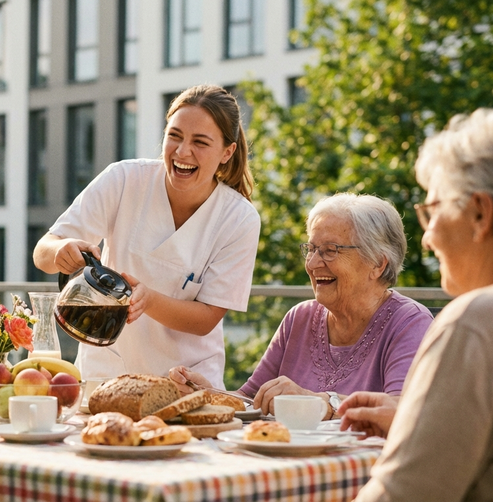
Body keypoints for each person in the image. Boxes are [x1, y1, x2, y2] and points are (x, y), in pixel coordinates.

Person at [338, 109, 493, 500]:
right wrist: (422, 424)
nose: (426, 240)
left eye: (431, 211)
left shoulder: (480, 320)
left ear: (480, 213)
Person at [33, 84, 260, 388]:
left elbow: (206, 318)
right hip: (106, 375)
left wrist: (148, 300)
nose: (182, 152)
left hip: (185, 382)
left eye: (200, 142)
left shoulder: (238, 218)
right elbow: (42, 252)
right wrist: (61, 250)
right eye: (174, 136)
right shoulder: (124, 180)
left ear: (227, 152)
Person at [170, 193, 432, 417]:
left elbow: (403, 412)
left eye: (330, 250)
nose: (313, 263)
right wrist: (207, 394)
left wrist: (323, 402)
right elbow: (250, 400)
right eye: (311, 248)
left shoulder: (409, 322)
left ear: (378, 263)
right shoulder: (300, 318)